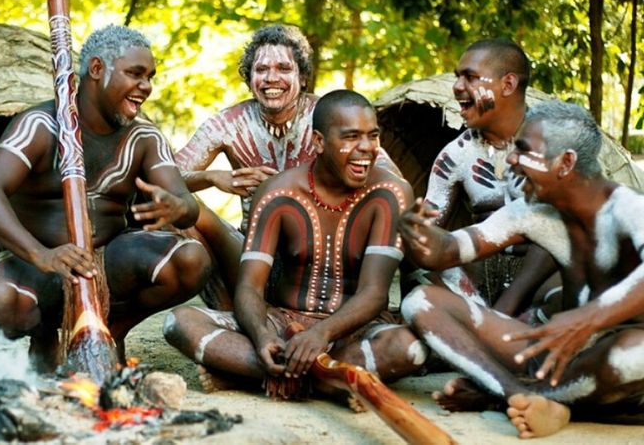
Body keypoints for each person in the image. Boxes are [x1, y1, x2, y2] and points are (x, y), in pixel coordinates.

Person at [0, 24, 211, 372]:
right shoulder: (41, 125)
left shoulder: (145, 137)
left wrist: (179, 206)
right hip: (40, 264)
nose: (146, 86)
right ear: (97, 70)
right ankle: (44, 336)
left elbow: (185, 204)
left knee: (190, 260)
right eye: (135, 74)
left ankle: (109, 330)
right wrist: (42, 255)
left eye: (150, 77)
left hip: (110, 264)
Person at [400, 100, 644, 438]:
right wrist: (418, 235)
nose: (511, 159)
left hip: (618, 361)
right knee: (420, 302)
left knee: (635, 356)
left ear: (566, 162)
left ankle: (515, 397)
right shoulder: (533, 211)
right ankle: (515, 394)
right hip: (555, 359)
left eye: (524, 149)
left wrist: (587, 319)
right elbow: (448, 251)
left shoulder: (629, 208)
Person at [164, 90, 426, 403]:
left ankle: (266, 375)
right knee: (179, 322)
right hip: (284, 323)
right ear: (318, 142)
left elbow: (374, 293)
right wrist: (263, 336)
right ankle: (331, 380)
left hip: (353, 333)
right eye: (352, 137)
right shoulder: (278, 192)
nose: (366, 149)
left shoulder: (390, 193)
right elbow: (250, 288)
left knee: (409, 347)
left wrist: (321, 334)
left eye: (372, 136)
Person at [175, 25, 397, 309]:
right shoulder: (227, 124)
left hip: (322, 255)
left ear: (302, 76)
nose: (271, 78)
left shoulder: (330, 117)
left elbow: (392, 182)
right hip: (252, 253)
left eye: (283, 68)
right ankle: (232, 311)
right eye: (261, 69)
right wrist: (215, 177)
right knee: (178, 206)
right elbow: (165, 177)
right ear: (249, 77)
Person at [411, 37, 557, 317]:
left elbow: (564, 233)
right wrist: (409, 230)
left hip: (543, 280)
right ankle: (484, 327)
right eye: (457, 77)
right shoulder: (455, 155)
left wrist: (503, 309)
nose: (457, 87)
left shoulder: (555, 144)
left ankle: (496, 327)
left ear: (508, 84)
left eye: (470, 77)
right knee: (420, 288)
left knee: (565, 282)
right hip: (480, 283)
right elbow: (429, 234)